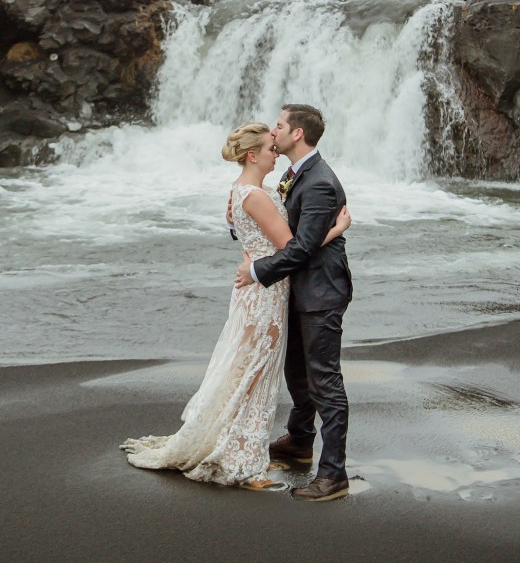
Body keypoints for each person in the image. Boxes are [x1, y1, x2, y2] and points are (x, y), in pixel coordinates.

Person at [120, 122, 350, 491]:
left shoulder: (248, 190)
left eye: (279, 135)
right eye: (270, 147)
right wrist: (337, 231)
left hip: (263, 287)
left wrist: (250, 247)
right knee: (253, 374)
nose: (276, 147)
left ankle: (247, 446)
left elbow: (251, 226)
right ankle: (240, 456)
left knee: (249, 369)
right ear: (252, 155)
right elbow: (294, 246)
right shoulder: (255, 194)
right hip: (265, 291)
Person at [235, 104, 353, 502]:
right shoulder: (293, 174)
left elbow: (301, 248)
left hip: (320, 292)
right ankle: (300, 441)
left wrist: (256, 271)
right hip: (298, 289)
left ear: (297, 134)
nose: (275, 130)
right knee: (297, 373)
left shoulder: (319, 181)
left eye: (280, 125)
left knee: (325, 382)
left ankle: (333, 475)